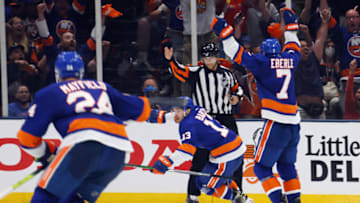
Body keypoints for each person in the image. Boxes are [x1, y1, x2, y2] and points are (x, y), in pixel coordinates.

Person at [16, 51, 151, 203]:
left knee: (47, 196)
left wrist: (45, 153)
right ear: (81, 72)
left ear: (56, 73)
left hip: (84, 144)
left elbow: (27, 138)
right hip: (118, 151)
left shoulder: (50, 93)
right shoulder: (101, 86)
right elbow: (143, 110)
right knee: (75, 197)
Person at [211, 7, 302, 203]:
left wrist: (224, 33)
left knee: (261, 167)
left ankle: (278, 201)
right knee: (287, 167)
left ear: (264, 52)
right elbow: (294, 45)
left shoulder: (261, 62)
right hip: (295, 123)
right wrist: (291, 28)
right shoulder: (289, 59)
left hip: (276, 122)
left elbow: (235, 52)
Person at [164, 42, 245, 203]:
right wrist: (170, 60)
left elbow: (237, 90)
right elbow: (179, 72)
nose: (208, 60)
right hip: (204, 118)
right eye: (206, 57)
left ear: (217, 57)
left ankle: (238, 192)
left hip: (225, 118)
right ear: (202, 58)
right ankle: (193, 195)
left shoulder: (227, 73)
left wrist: (236, 98)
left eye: (212, 56)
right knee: (200, 157)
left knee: (235, 156)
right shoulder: (196, 72)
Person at [150, 97, 251, 203]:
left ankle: (239, 200)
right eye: (174, 110)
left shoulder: (187, 125)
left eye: (178, 111)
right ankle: (239, 196)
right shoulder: (197, 109)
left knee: (204, 184)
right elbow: (178, 116)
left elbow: (186, 152)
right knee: (215, 179)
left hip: (226, 155)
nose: (175, 113)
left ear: (187, 110)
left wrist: (167, 162)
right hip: (235, 146)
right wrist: (160, 117)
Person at [294, 8, 331, 119]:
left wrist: (324, 22)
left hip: (319, 108)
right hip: (301, 109)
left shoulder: (314, 58)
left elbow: (321, 39)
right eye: (301, 46)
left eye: (306, 46)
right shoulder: (293, 62)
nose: (305, 48)